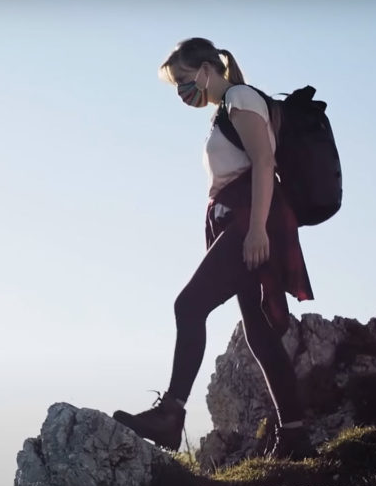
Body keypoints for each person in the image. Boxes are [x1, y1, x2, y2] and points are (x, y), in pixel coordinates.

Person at [113, 38, 317, 460]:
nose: (183, 93)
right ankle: (295, 436)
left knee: (189, 306)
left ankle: (171, 413)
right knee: (259, 334)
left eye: (185, 81)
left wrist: (257, 230)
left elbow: (263, 162)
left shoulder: (240, 98)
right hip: (243, 219)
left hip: (250, 221)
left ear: (207, 69)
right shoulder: (228, 109)